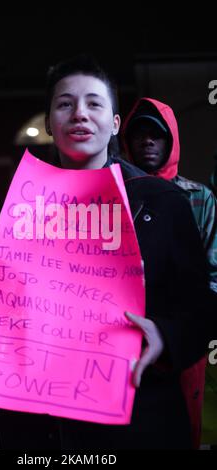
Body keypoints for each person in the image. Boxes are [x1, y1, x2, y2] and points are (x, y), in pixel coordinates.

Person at [0, 55, 217, 450]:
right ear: (50, 122)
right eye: (65, 104)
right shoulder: (21, 206)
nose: (79, 114)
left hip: (136, 421)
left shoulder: (161, 201)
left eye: (94, 103)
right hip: (38, 427)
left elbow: (202, 310)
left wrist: (166, 335)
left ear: (115, 124)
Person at [121, 97, 217, 448]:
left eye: (157, 134)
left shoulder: (199, 198)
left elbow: (214, 275)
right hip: (120, 335)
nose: (147, 141)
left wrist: (182, 328)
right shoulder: (112, 195)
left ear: (172, 141)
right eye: (140, 134)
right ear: (126, 142)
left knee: (184, 426)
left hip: (182, 336)